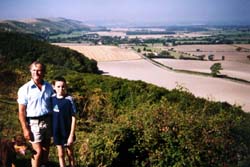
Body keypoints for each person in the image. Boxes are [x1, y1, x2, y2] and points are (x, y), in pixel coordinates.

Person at [17, 61, 54, 167]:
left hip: (47, 120)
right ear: (30, 71)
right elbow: (21, 111)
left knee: (46, 149)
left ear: (43, 72)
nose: (36, 73)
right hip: (34, 123)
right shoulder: (24, 89)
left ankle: (44, 165)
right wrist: (25, 128)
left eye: (39, 70)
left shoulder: (49, 87)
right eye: (34, 70)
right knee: (37, 151)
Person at [51, 76, 76, 167]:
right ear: (53, 87)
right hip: (57, 132)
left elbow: (74, 117)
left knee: (70, 154)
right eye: (58, 86)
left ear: (66, 87)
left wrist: (71, 135)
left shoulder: (69, 100)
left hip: (67, 132)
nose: (61, 89)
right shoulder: (52, 99)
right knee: (61, 155)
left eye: (63, 86)